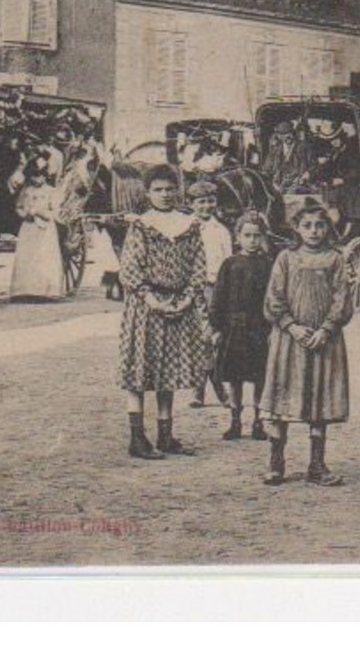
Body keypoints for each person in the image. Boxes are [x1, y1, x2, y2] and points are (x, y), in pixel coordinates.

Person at [117, 165, 211, 460]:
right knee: (139, 369)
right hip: (146, 306)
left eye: (170, 189)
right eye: (158, 189)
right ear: (148, 193)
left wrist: (186, 300)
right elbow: (130, 269)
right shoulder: (141, 225)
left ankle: (166, 435)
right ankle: (137, 437)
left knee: (167, 371)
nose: (165, 194)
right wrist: (152, 300)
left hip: (177, 304)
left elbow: (198, 265)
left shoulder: (190, 225)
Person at [259, 202, 355, 487]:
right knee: (281, 399)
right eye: (307, 226)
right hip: (290, 341)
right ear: (297, 229)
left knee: (320, 400)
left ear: (328, 228)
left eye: (320, 225)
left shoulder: (336, 259)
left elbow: (342, 299)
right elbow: (274, 299)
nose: (314, 231)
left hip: (324, 341)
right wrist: (291, 326)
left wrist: (326, 329)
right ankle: (276, 462)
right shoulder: (286, 259)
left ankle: (316, 464)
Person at [208, 211, 275, 442]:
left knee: (259, 377)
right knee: (234, 377)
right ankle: (235, 421)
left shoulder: (269, 265)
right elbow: (218, 298)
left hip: (260, 329)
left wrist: (273, 328)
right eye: (247, 235)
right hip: (234, 328)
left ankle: (258, 422)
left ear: (263, 237)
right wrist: (216, 328)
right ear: (238, 237)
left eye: (257, 235)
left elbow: (274, 298)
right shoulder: (230, 264)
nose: (252, 240)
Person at [188, 179, 233, 408]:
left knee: (215, 338)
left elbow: (228, 263)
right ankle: (207, 389)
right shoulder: (186, 228)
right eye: (201, 202)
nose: (206, 206)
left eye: (210, 201)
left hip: (216, 289)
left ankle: (210, 388)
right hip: (194, 289)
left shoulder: (221, 230)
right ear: (192, 204)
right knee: (200, 338)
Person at [10, 166, 67, 301]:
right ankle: (25, 291)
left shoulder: (51, 191)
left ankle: (46, 291)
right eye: (34, 176)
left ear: (45, 176)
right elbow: (19, 206)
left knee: (45, 256)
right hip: (29, 227)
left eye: (40, 176)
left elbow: (56, 210)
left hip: (45, 227)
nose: (37, 179)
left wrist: (42, 214)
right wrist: (24, 214)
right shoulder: (26, 191)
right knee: (27, 256)